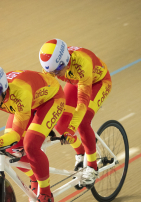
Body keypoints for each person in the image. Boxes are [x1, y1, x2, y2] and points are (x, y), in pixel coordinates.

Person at [0, 65, 66, 202]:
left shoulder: (20, 93)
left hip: (50, 100)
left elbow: (14, 135)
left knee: (30, 145)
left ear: (3, 88)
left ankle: (46, 194)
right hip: (30, 101)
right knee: (11, 150)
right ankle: (34, 178)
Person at [39, 38, 112, 187]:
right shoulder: (53, 66)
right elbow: (45, 95)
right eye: (51, 72)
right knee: (60, 125)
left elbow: (82, 104)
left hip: (98, 82)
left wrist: (71, 130)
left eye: (57, 71)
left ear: (65, 61)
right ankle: (80, 152)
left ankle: (92, 166)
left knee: (83, 122)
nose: (55, 75)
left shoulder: (82, 62)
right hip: (77, 81)